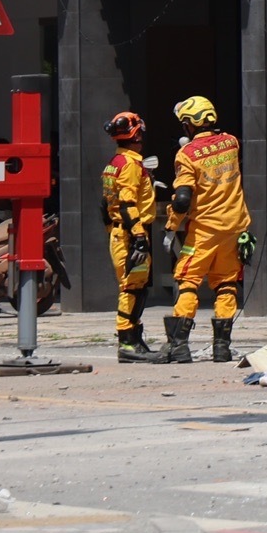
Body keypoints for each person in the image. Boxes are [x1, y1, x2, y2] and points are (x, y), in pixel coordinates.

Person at [165, 95, 252, 363]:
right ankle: (221, 347)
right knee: (226, 284)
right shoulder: (231, 142)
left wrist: (171, 226)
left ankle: (179, 346)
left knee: (188, 281)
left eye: (185, 123)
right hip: (235, 226)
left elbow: (181, 199)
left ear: (191, 124)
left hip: (204, 229)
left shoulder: (187, 154)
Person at [100, 111, 162, 363]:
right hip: (130, 234)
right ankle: (127, 343)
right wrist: (138, 236)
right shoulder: (130, 166)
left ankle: (135, 339)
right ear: (136, 135)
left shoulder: (114, 164)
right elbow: (127, 204)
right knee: (131, 288)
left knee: (137, 287)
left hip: (120, 232)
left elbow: (104, 206)